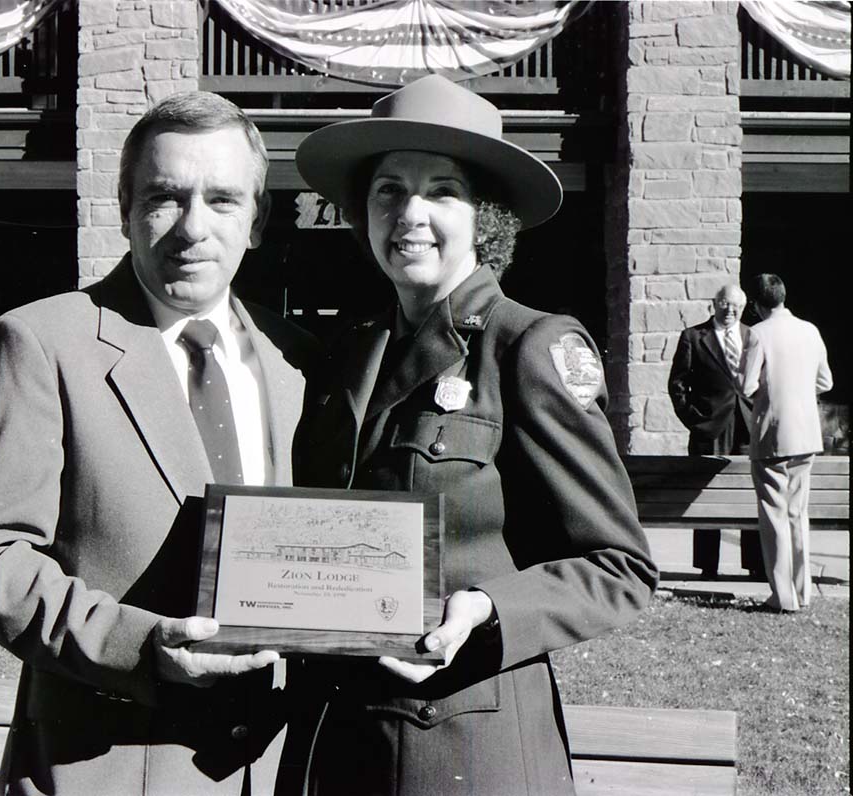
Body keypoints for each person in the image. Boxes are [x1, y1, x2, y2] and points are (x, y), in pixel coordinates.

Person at [286, 74, 659, 795]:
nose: (410, 214)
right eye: (389, 190)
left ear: (485, 218)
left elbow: (619, 567)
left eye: (442, 191)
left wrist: (487, 608)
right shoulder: (346, 353)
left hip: (463, 741)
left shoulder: (528, 347)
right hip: (339, 740)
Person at [0, 92, 316, 795]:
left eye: (223, 200)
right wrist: (139, 647)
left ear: (259, 219)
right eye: (165, 197)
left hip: (270, 768)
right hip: (108, 765)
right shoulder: (40, 343)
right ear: (123, 208)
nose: (193, 228)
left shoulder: (299, 359)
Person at [742, 273, 833, 612]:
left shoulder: (758, 333)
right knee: (797, 513)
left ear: (756, 304)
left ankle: (782, 596)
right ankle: (802, 591)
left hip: (772, 432)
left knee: (774, 515)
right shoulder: (810, 330)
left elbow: (747, 386)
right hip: (806, 433)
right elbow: (825, 381)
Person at [667, 284, 763, 579]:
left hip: (747, 426)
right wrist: (694, 420)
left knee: (750, 494)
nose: (730, 310)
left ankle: (755, 565)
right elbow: (677, 384)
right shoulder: (693, 337)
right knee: (706, 496)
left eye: (736, 305)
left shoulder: (754, 336)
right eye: (724, 303)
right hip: (709, 428)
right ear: (714, 303)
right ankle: (708, 566)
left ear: (743, 307)